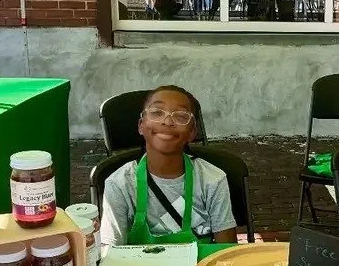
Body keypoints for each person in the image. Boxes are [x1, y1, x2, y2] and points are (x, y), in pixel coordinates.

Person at [98, 86, 237, 246]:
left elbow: (225, 252)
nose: (167, 121)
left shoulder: (212, 180)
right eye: (157, 112)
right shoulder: (120, 184)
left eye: (180, 116)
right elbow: (111, 254)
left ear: (192, 132)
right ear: (141, 126)